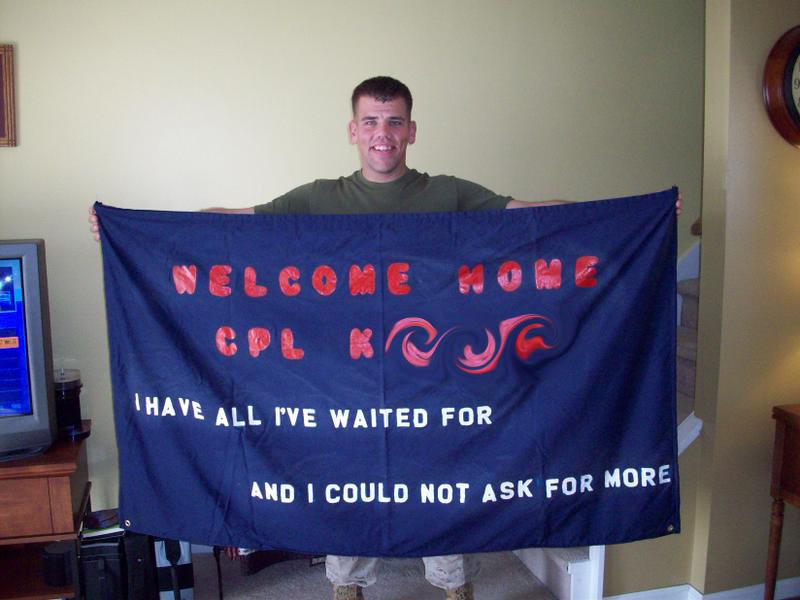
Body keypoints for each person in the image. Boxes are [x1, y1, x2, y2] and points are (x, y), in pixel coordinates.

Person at [89, 76, 681, 600]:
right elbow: (237, 228)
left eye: (394, 121)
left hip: (435, 370)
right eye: (371, 121)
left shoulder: (447, 193)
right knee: (346, 475)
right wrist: (135, 231)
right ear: (353, 130)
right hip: (342, 375)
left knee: (446, 476)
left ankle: (453, 584)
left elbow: (533, 220)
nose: (383, 133)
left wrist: (627, 220)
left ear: (411, 130)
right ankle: (347, 583)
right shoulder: (319, 198)